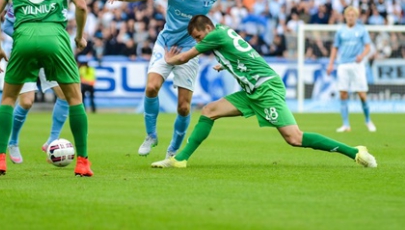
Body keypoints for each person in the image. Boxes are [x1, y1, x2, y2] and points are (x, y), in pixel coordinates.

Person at [151, 15, 377, 169]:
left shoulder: (214, 36)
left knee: (295, 138)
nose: (200, 42)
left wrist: (169, 59)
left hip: (265, 89)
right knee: (209, 110)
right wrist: (226, 64)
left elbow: (186, 56)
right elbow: (245, 55)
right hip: (251, 92)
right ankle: (179, 160)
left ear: (207, 29)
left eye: (199, 37)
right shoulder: (224, 33)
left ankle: (354, 152)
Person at [0, 0, 93, 179]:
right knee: (74, 99)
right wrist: (79, 36)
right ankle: (83, 162)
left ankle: (0, 159)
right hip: (55, 36)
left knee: (8, 99)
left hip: (23, 37)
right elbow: (82, 6)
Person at [108, 0, 221, 158]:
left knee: (184, 106)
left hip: (189, 50)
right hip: (166, 44)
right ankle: (151, 136)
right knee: (151, 87)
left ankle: (174, 149)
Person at [1, 4, 70, 164]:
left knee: (65, 94)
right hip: (25, 51)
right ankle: (13, 142)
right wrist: (27, 37)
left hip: (47, 51)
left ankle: (52, 140)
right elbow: (6, 26)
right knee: (26, 102)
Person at [327, 6, 376, 133]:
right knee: (343, 93)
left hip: (357, 65)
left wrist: (362, 56)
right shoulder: (341, 31)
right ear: (345, 16)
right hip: (343, 64)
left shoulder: (361, 30)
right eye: (348, 15)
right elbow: (335, 48)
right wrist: (331, 64)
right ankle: (346, 124)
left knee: (362, 94)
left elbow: (368, 47)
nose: (350, 17)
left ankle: (368, 120)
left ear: (356, 17)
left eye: (353, 15)